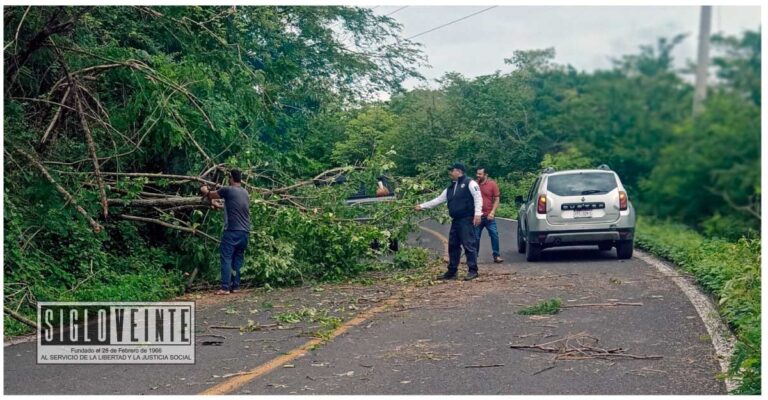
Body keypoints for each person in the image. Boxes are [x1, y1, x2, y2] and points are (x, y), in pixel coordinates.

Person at [415, 162, 483, 281]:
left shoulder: (470, 183)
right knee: (453, 245)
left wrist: (478, 214)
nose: (450, 173)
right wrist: (422, 206)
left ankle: (473, 270)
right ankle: (452, 271)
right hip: (456, 221)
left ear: (459, 171)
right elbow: (438, 200)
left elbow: (478, 197)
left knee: (469, 245)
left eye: (452, 171)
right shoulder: (450, 187)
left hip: (466, 219)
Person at [200, 169, 251, 295]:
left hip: (232, 231)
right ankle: (235, 286)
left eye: (229, 177)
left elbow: (210, 194)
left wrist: (204, 189)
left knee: (226, 258)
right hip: (244, 231)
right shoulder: (245, 193)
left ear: (231, 178)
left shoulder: (227, 190)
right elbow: (234, 207)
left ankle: (224, 287)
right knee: (237, 259)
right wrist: (219, 206)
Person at [475, 167, 503, 263]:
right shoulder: (474, 185)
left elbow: (497, 199)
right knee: (475, 236)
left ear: (485, 175)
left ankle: (496, 255)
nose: (478, 176)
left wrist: (492, 212)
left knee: (494, 234)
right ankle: (474, 256)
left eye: (480, 174)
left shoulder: (492, 184)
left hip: (489, 216)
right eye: (477, 174)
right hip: (478, 216)